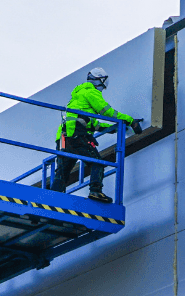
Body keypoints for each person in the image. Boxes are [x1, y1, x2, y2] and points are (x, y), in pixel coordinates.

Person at [50, 67, 143, 202]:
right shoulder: (91, 92)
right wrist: (130, 120)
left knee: (63, 170)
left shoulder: (78, 97)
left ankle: (54, 197)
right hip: (78, 136)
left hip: (64, 139)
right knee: (97, 163)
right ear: (101, 81)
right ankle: (95, 191)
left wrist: (114, 128)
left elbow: (93, 124)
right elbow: (108, 112)